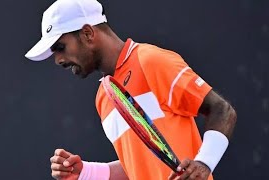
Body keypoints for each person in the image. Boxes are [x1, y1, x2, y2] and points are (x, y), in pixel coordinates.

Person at [25, 0, 237, 179]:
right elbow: (135, 165)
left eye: (60, 47)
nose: (58, 60)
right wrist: (85, 172)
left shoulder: (150, 61)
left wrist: (204, 162)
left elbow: (222, 110)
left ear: (88, 33)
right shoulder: (104, 97)